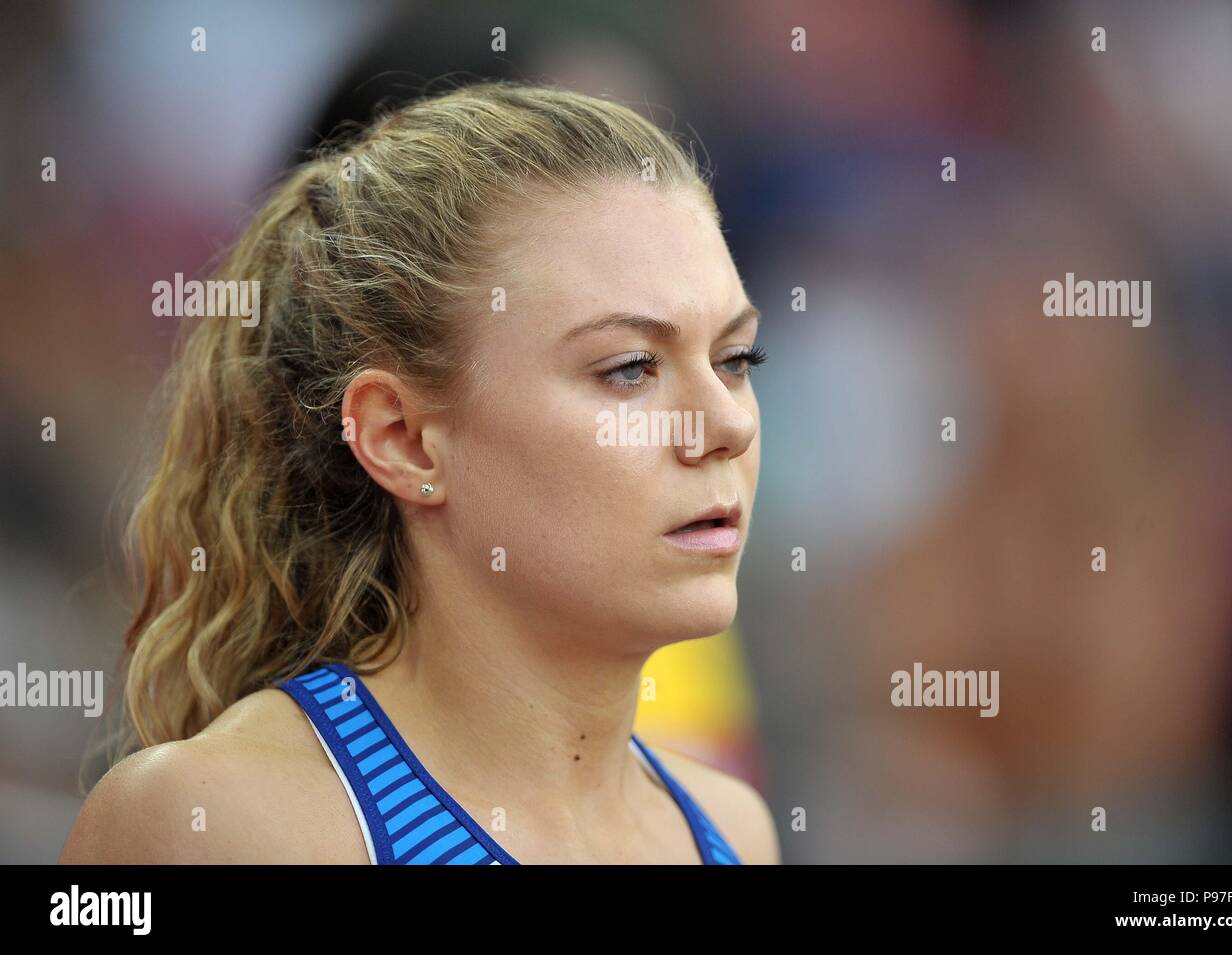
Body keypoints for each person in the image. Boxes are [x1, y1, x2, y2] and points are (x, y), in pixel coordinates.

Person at [59, 80, 779, 864]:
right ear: (402, 438)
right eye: (631, 367)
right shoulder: (214, 821)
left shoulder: (733, 827)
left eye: (735, 358)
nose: (729, 425)